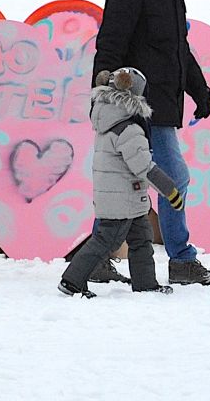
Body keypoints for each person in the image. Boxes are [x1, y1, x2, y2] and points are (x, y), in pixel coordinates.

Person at [89, 0, 210, 286]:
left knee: (130, 180)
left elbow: (177, 47)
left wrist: (200, 90)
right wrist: (102, 91)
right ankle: (181, 260)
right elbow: (111, 42)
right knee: (173, 178)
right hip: (133, 101)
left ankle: (100, 257)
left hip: (163, 101)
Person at [60, 67, 184, 297]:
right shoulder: (129, 129)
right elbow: (144, 167)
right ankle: (72, 281)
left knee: (141, 240)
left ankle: (146, 284)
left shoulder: (108, 122)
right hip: (123, 199)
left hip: (125, 197)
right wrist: (171, 191)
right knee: (105, 241)